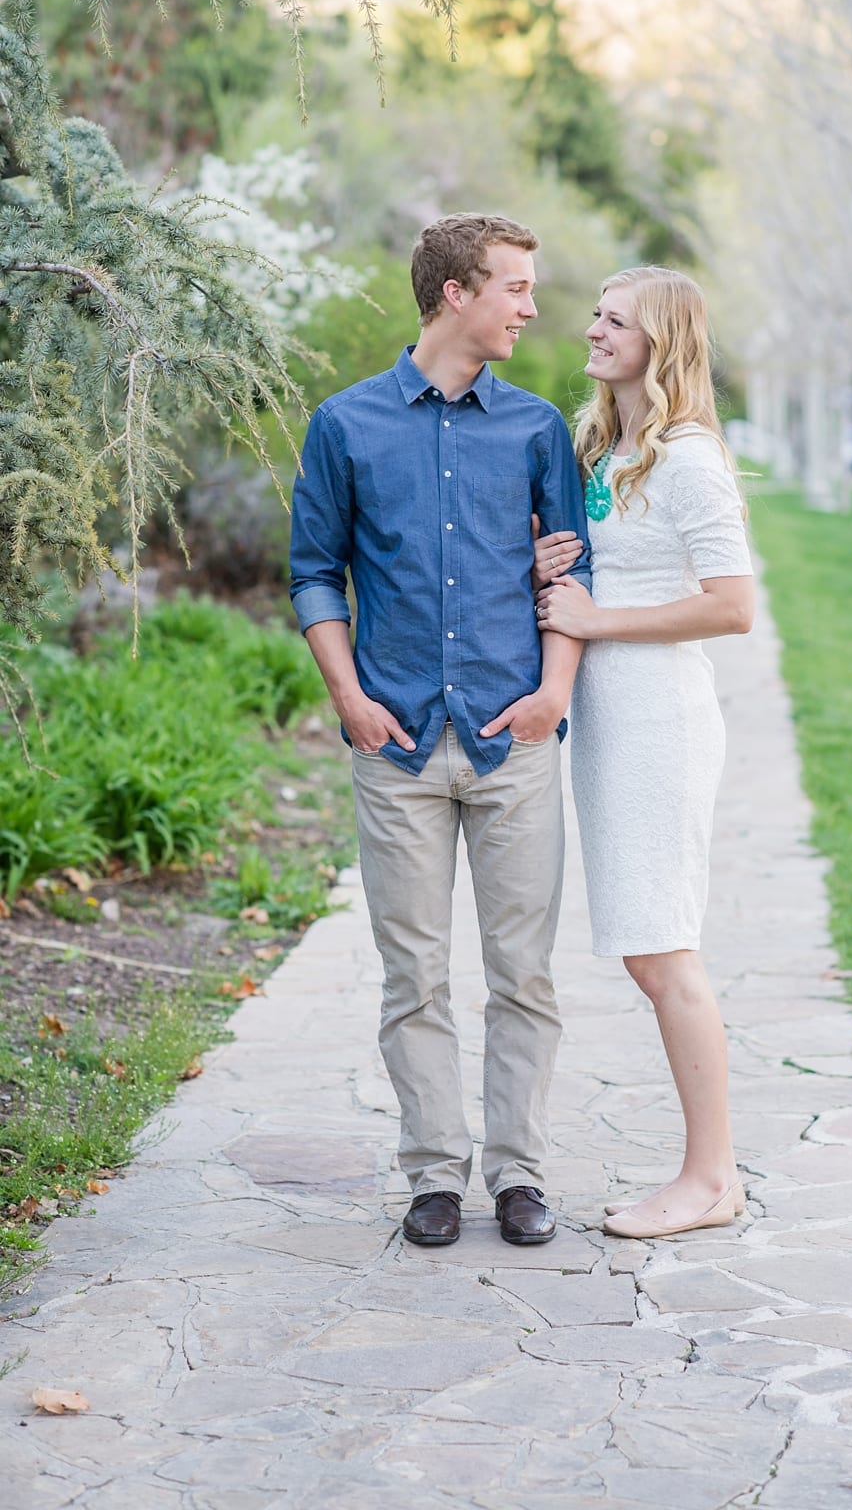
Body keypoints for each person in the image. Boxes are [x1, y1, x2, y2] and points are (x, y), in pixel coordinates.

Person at [290, 213, 592, 1251]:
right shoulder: (346, 424)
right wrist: (350, 699)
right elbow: (312, 572)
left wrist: (555, 691)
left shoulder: (538, 428)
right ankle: (432, 1173)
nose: (532, 305)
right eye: (515, 285)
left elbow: (571, 572)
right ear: (455, 293)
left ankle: (518, 1173)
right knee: (413, 973)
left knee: (526, 973)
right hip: (400, 742)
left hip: (516, 738)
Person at [529, 266, 757, 1239]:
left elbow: (732, 604)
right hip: (612, 727)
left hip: (660, 721)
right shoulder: (611, 443)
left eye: (615, 320)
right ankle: (708, 1171)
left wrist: (599, 616)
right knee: (647, 947)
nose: (592, 329)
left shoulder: (689, 458)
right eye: (596, 314)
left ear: (661, 340)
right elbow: (592, 571)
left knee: (664, 949)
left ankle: (711, 1178)